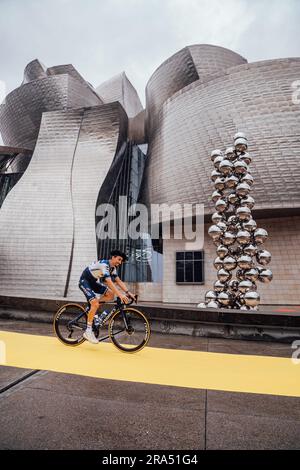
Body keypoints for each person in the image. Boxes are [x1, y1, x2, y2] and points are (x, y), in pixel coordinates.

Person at [79, 249, 135, 344]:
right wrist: (120, 295)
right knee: (96, 303)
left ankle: (91, 307)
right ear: (113, 257)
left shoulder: (112, 268)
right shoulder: (104, 265)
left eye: (121, 261)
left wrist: (128, 292)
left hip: (92, 282)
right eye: (119, 259)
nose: (120, 262)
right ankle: (88, 332)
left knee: (110, 294)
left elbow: (118, 281)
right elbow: (109, 282)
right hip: (84, 282)